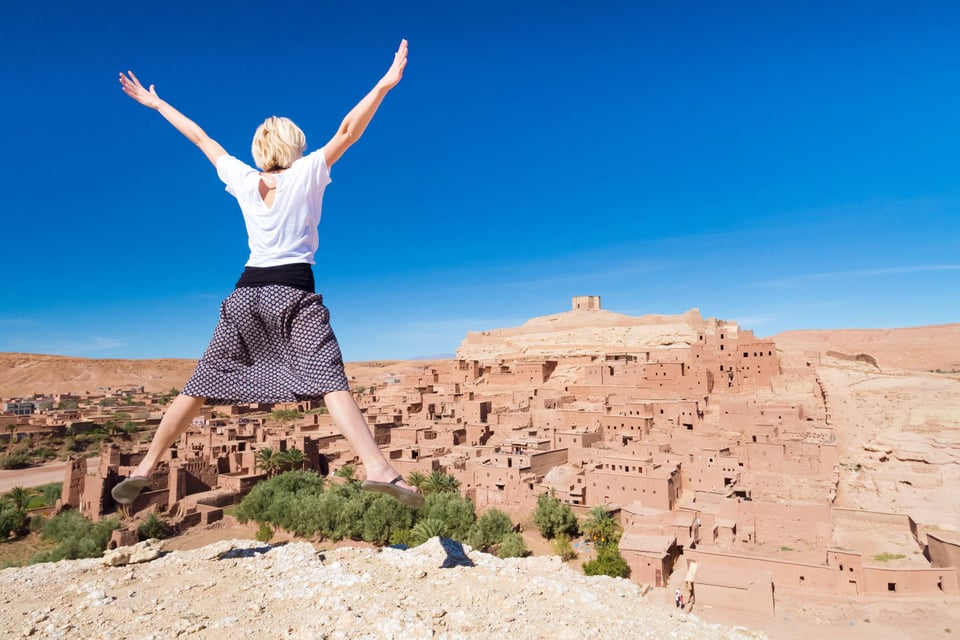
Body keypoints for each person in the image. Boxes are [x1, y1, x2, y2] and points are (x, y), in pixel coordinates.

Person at [111, 39, 423, 509]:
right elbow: (348, 130)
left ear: (259, 149)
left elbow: (200, 138)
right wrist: (384, 84)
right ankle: (378, 468)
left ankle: (144, 467)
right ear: (295, 146)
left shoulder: (240, 176)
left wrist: (157, 104)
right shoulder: (309, 172)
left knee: (200, 385)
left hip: (245, 293)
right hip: (293, 291)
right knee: (330, 379)